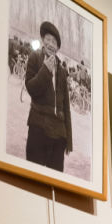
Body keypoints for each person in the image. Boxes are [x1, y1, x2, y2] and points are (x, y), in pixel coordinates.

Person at [25, 21, 72, 172]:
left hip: (58, 135)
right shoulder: (35, 58)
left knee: (55, 179)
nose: (51, 44)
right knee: (33, 175)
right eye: (48, 39)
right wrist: (45, 69)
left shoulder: (62, 71)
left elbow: (66, 106)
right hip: (38, 127)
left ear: (57, 48)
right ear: (43, 41)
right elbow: (31, 88)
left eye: (54, 42)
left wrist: (68, 139)